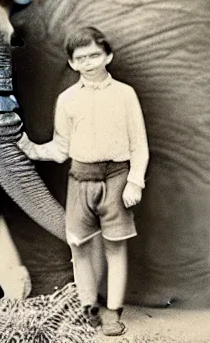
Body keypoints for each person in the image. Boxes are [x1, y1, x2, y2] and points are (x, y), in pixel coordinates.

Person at [17, 26, 149, 337]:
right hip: (80, 179)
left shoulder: (125, 94)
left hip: (116, 177)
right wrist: (29, 148)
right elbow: (61, 149)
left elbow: (139, 145)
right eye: (82, 58)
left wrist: (135, 182)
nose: (89, 62)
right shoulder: (67, 100)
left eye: (95, 55)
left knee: (115, 248)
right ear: (73, 64)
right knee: (79, 248)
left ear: (108, 56)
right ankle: (88, 306)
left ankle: (113, 312)